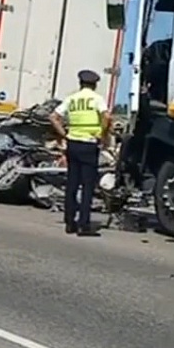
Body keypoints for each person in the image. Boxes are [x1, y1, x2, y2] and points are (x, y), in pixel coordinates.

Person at [50, 69, 111, 237]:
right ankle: (84, 225)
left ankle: (70, 223)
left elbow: (53, 117)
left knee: (72, 184)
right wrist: (103, 134)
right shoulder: (96, 99)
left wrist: (63, 133)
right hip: (89, 145)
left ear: (80, 83)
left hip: (73, 144)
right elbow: (107, 117)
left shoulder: (72, 99)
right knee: (87, 186)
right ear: (95, 84)